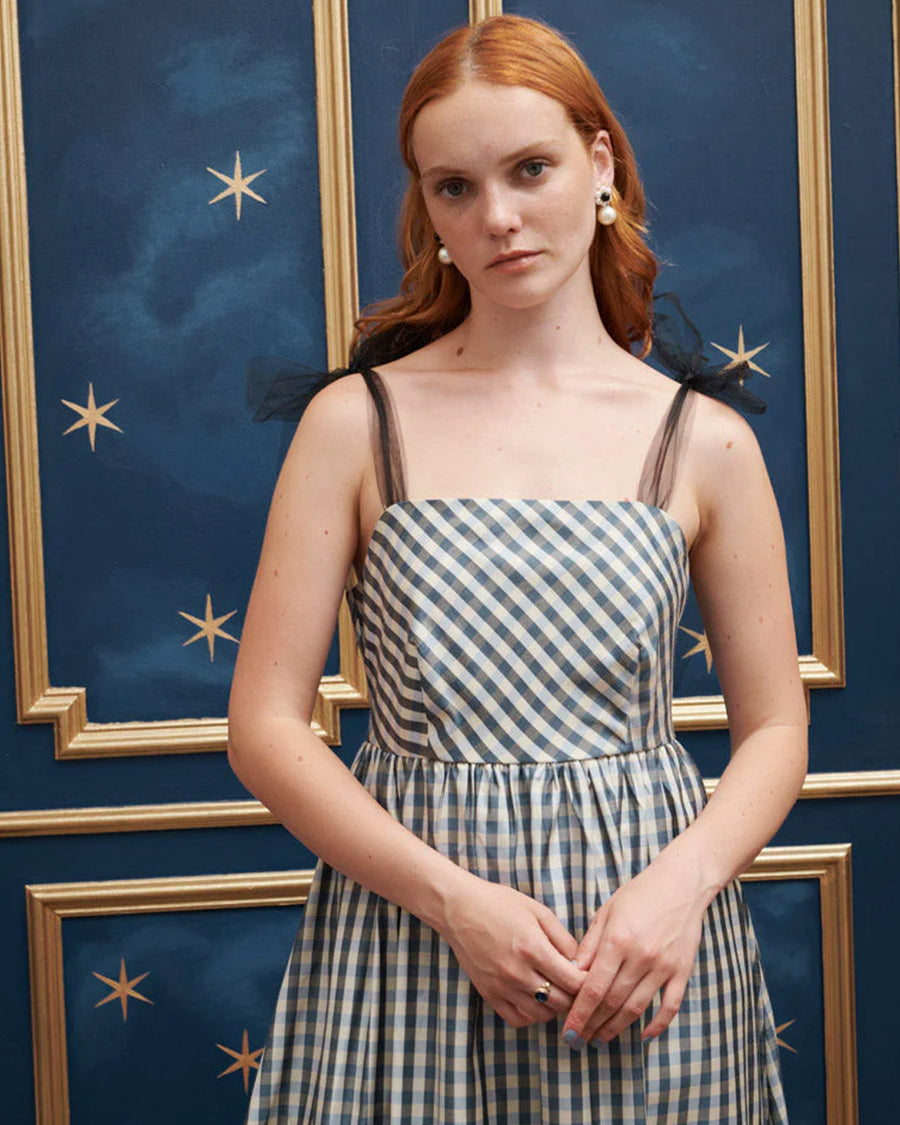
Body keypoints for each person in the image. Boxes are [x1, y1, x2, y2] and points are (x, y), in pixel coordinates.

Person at [228, 14, 807, 1123]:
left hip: (638, 953)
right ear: (428, 207)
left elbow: (777, 730)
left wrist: (677, 890)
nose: (495, 218)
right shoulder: (359, 422)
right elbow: (261, 727)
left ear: (599, 166)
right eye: (454, 187)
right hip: (409, 933)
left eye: (529, 169)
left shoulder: (705, 440)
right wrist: (453, 904)